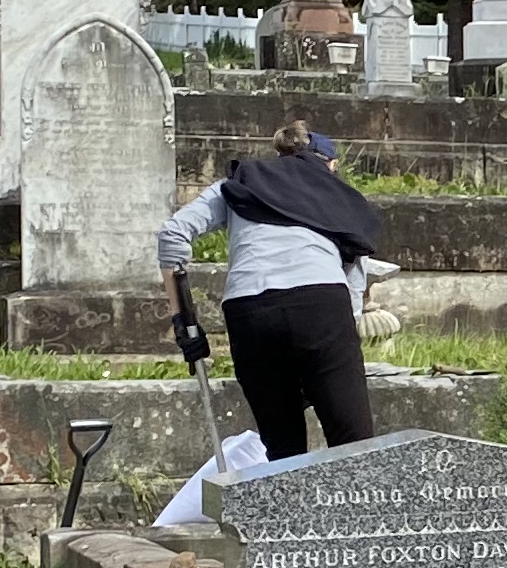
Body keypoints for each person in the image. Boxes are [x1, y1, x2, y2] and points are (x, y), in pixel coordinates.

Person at [155, 119, 399, 463]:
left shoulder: (239, 180)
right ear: (331, 165)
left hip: (249, 312)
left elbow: (172, 235)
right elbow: (353, 286)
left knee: (283, 452)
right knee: (353, 447)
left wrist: (184, 323)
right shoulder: (334, 194)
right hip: (319, 303)